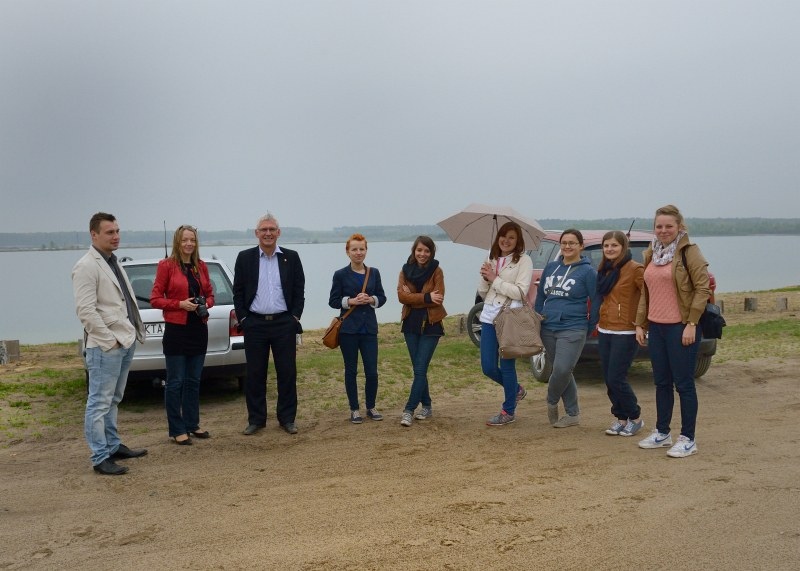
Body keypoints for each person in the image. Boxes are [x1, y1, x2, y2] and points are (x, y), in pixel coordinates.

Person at [72, 212, 147, 476]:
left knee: (114, 399)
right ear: (94, 235)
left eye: (117, 231)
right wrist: (110, 341)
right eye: (109, 232)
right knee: (99, 402)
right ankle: (100, 456)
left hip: (124, 341)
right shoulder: (86, 266)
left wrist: (126, 338)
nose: (116, 236)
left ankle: (113, 445)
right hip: (106, 346)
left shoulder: (112, 262)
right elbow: (86, 311)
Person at [635, 205, 709, 458]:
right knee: (661, 383)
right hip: (657, 327)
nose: (663, 230)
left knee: (684, 384)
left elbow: (702, 289)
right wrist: (640, 323)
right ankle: (662, 432)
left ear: (679, 227)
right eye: (659, 226)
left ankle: (688, 438)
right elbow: (646, 292)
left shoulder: (690, 252)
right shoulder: (651, 253)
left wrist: (692, 323)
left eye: (669, 226)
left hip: (681, 327)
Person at [233, 213, 305, 436]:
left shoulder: (291, 257)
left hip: (284, 323)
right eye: (264, 230)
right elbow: (238, 292)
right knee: (255, 374)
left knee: (287, 373)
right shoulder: (245, 258)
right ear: (256, 233)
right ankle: (256, 420)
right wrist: (244, 319)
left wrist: (294, 317)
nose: (268, 233)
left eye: (272, 229)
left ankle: (287, 419)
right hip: (255, 324)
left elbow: (299, 290)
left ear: (278, 232)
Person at [150, 225, 215, 445]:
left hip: (198, 329)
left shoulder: (201, 266)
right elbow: (155, 299)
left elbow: (210, 295)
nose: (189, 244)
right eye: (185, 240)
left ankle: (192, 424)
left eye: (192, 240)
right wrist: (179, 304)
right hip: (176, 330)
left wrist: (205, 303)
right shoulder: (166, 266)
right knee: (175, 382)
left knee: (193, 380)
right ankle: (177, 429)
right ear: (177, 242)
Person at [535, 229, 599, 428]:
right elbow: (541, 296)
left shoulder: (588, 272)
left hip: (573, 326)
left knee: (562, 368)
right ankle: (573, 414)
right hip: (548, 326)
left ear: (581, 246)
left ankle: (551, 399)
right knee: (562, 370)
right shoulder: (551, 267)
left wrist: (589, 325)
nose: (567, 246)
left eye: (572, 243)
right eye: (564, 243)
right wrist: (538, 318)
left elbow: (596, 301)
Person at [477, 221, 533, 426]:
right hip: (488, 317)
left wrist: (495, 279)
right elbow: (483, 292)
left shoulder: (524, 261)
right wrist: (485, 278)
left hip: (509, 318)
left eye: (511, 237)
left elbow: (520, 292)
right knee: (488, 367)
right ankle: (516, 390)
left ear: (518, 241)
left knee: (507, 366)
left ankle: (508, 410)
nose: (506, 241)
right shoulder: (491, 257)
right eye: (503, 236)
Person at [328, 233, 387, 424]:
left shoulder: (374, 272)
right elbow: (333, 301)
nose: (358, 252)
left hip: (369, 329)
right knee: (351, 371)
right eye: (354, 249)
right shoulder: (340, 274)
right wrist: (351, 301)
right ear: (348, 252)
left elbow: (382, 297)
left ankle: (371, 407)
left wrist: (371, 299)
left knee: (372, 372)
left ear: (366, 250)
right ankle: (354, 409)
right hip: (348, 330)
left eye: (362, 249)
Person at [596, 231, 645, 437]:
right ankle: (621, 418)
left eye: (614, 245)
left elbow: (647, 296)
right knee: (609, 379)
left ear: (623, 247)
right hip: (605, 328)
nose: (610, 249)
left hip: (626, 330)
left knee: (617, 377)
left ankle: (635, 417)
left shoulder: (635, 269)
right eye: (606, 245)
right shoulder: (604, 269)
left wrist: (641, 324)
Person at [397, 236, 447, 427]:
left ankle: (409, 410)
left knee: (420, 368)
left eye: (426, 251)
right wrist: (426, 297)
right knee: (419, 368)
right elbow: (401, 297)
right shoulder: (405, 270)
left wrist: (413, 297)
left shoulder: (437, 270)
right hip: (410, 324)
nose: (422, 254)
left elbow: (438, 298)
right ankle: (426, 405)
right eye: (419, 250)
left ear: (431, 252)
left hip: (431, 324)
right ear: (414, 251)